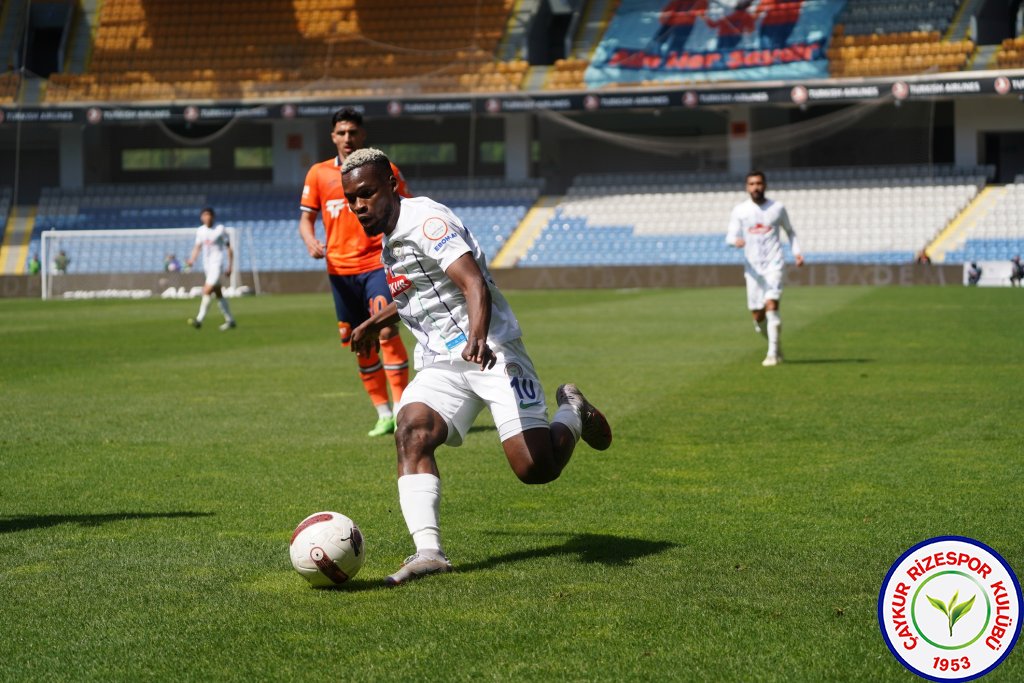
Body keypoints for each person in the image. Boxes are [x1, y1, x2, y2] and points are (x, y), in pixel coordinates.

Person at [343, 148, 613, 586]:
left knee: (534, 469)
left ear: (392, 185)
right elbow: (420, 294)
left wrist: (477, 337)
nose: (359, 207)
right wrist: (374, 322)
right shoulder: (391, 238)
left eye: (367, 194)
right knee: (411, 430)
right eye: (352, 199)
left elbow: (472, 282)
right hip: (441, 362)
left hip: (492, 349)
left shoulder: (427, 222)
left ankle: (572, 413)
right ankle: (428, 552)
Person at [299, 107, 411, 438]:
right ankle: (383, 413)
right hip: (339, 271)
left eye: (353, 132)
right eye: (341, 133)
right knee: (358, 341)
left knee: (387, 332)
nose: (347, 138)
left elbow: (407, 206)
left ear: (362, 135)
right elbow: (306, 218)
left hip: (376, 264)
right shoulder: (318, 174)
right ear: (333, 136)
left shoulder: (384, 169)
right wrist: (310, 241)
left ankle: (404, 408)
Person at [726, 170, 804, 366]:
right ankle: (775, 346)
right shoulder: (740, 211)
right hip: (752, 269)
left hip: (774, 263)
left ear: (765, 185)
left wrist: (797, 252)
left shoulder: (777, 208)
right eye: (752, 184)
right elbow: (729, 236)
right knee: (757, 315)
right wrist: (735, 241)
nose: (756, 187)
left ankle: (772, 354)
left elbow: (790, 231)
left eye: (759, 183)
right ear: (746, 187)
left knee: (772, 305)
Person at [185, 208, 237, 331]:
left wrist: (230, 266)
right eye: (205, 215)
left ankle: (199, 320)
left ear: (213, 217)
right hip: (207, 265)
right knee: (218, 293)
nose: (207, 218)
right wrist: (192, 260)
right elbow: (197, 247)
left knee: (207, 290)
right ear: (201, 217)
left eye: (209, 215)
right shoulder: (200, 231)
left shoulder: (220, 229)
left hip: (217, 264)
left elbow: (229, 248)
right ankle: (230, 320)